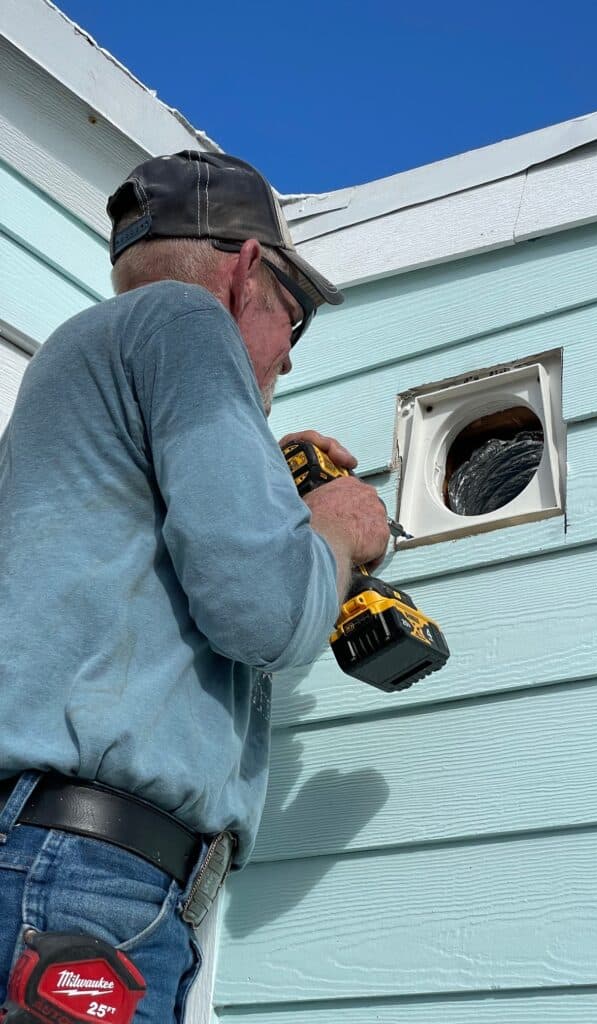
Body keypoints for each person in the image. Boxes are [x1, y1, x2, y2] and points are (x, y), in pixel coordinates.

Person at [0, 150, 390, 1021]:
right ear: (249, 270)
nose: (287, 359)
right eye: (293, 318)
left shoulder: (85, 367)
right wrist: (336, 532)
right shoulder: (182, 319)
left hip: (60, 869)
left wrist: (263, 480)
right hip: (91, 879)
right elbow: (261, 613)